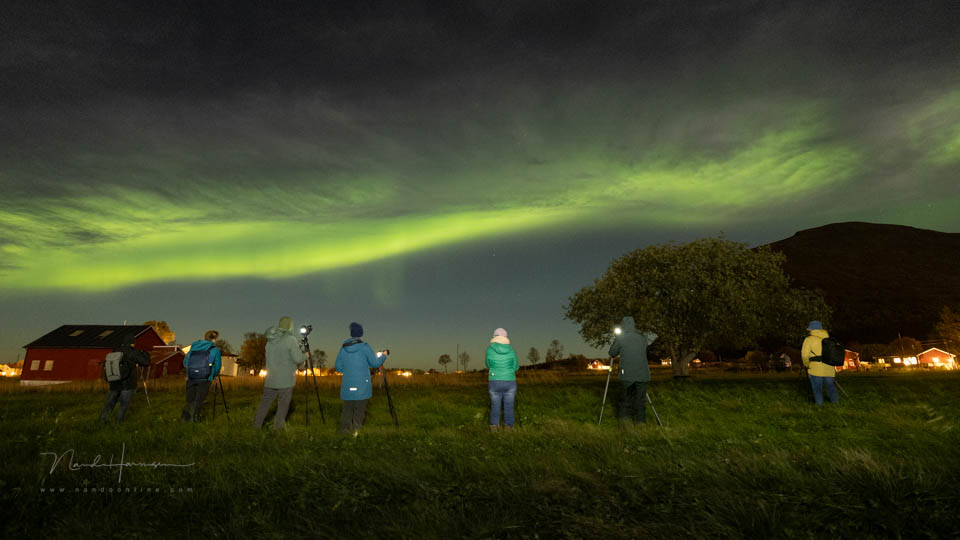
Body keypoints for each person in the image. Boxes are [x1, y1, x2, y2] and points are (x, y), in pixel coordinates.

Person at [253, 316, 305, 430]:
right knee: (282, 406)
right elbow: (297, 359)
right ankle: (277, 429)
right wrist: (305, 355)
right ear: (290, 326)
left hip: (271, 379)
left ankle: (256, 427)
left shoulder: (269, 341)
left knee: (264, 404)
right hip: (285, 380)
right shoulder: (291, 339)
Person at [334, 322, 387, 435]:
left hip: (348, 384)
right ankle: (356, 433)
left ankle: (344, 432)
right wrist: (383, 355)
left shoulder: (343, 348)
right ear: (361, 333)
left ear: (351, 333)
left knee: (347, 409)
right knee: (360, 409)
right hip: (362, 385)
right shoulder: (365, 347)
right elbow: (374, 363)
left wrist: (349, 371)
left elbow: (338, 367)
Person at [608, 316, 657, 425]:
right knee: (640, 401)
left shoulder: (621, 338)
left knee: (626, 400)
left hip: (627, 375)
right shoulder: (642, 338)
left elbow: (612, 353)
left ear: (623, 325)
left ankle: (626, 423)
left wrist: (616, 340)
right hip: (643, 374)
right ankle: (641, 423)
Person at [99, 338, 151, 423]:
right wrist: (144, 353)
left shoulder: (115, 351)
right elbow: (146, 362)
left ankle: (102, 420)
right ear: (132, 343)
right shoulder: (132, 352)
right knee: (123, 405)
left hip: (114, 382)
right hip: (127, 383)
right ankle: (118, 423)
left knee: (109, 404)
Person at [181, 330, 222, 422]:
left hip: (191, 377)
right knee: (199, 399)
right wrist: (213, 374)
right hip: (205, 378)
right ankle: (194, 419)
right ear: (214, 339)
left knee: (190, 399)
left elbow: (185, 363)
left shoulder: (194, 347)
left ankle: (185, 419)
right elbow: (217, 366)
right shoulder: (214, 350)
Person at [485, 327, 519, 432]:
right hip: (509, 381)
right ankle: (509, 427)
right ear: (506, 337)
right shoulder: (511, 350)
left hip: (494, 380)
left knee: (495, 405)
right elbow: (516, 367)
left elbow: (487, 364)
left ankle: (494, 427)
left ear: (494, 337)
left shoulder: (489, 349)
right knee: (509, 405)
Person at [801, 321, 839, 405]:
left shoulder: (809, 339)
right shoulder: (829, 339)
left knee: (817, 388)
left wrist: (807, 365)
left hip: (815, 369)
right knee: (831, 387)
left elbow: (804, 355)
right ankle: (836, 403)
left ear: (811, 329)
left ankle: (819, 406)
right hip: (829, 368)